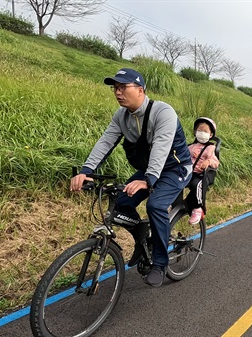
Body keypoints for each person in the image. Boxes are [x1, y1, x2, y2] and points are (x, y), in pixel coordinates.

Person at [70, 68, 193, 288]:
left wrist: (148, 180)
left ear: (140, 90)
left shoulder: (163, 112)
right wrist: (85, 170)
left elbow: (162, 147)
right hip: (150, 170)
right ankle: (141, 236)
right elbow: (105, 142)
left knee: (156, 205)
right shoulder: (121, 116)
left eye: (123, 87)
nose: (117, 92)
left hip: (175, 168)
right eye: (115, 88)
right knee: (122, 202)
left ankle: (160, 264)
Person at [187, 117, 219, 224]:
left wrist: (208, 162)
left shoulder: (210, 148)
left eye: (205, 131)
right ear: (195, 132)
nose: (202, 133)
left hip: (201, 175)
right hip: (189, 173)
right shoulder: (191, 147)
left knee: (198, 185)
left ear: (210, 135)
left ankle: (198, 208)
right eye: (200, 130)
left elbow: (215, 162)